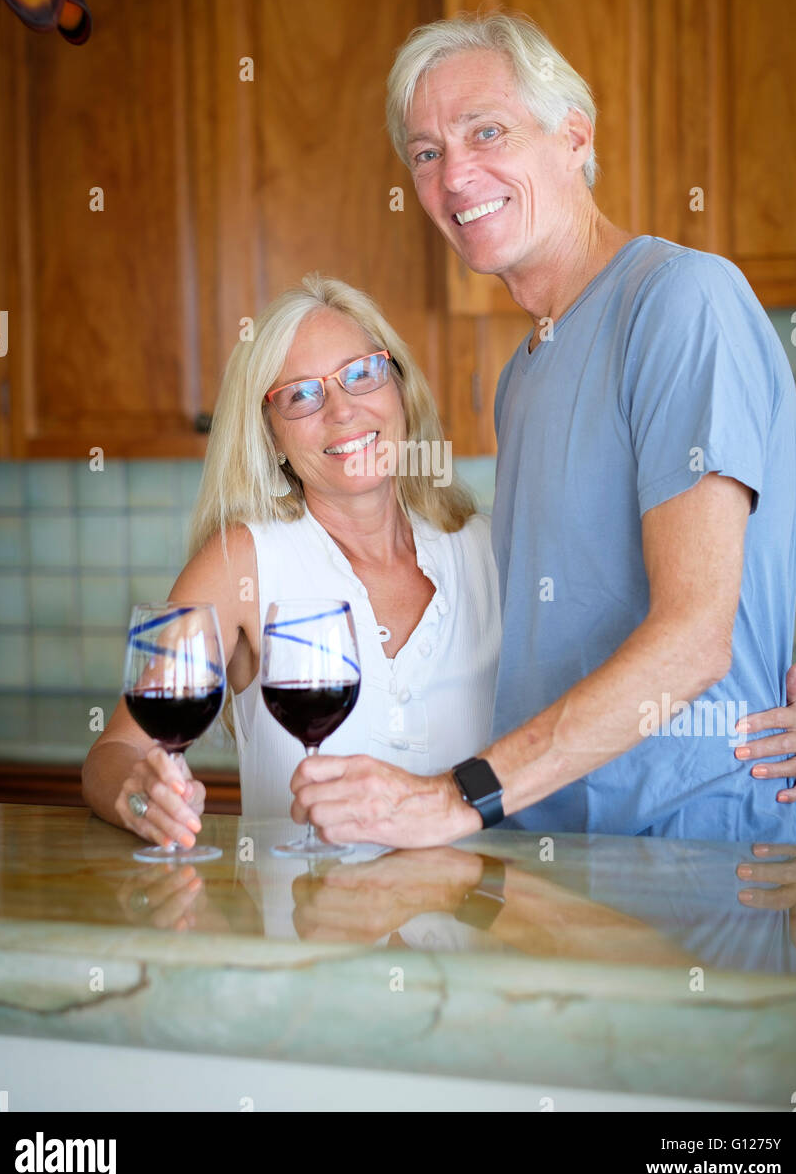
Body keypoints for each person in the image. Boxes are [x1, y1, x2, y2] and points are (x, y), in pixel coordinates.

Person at [288, 10, 796, 849]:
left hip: (689, 860)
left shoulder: (681, 301)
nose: (455, 174)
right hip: (553, 850)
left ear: (574, 136)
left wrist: (456, 798)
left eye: (486, 132)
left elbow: (693, 643)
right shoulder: (524, 374)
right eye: (427, 154)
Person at [82, 277, 500, 846]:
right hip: (308, 928)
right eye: (302, 395)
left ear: (399, 389)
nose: (343, 411)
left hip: (478, 926)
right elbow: (115, 752)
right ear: (272, 437)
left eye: (361, 373)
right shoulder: (244, 564)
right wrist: (140, 795)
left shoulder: (489, 551)